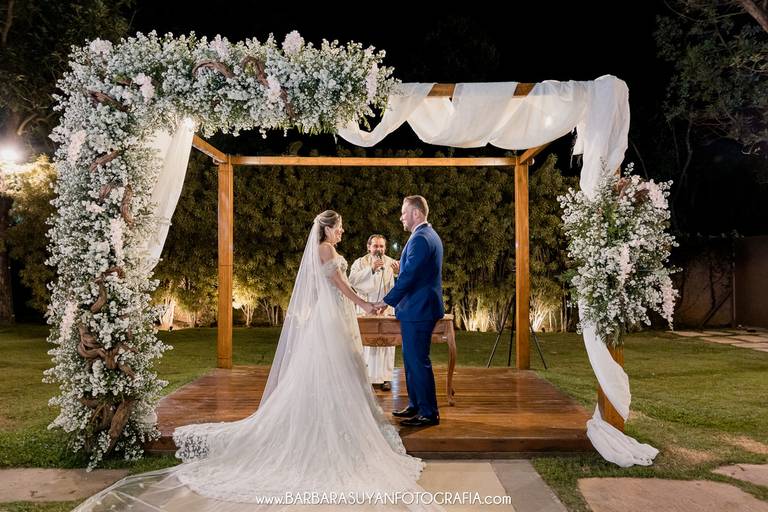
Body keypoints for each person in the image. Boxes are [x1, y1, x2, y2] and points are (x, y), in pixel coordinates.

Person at [73, 210, 442, 512]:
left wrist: (366, 302)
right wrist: (365, 304)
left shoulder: (327, 250)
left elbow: (340, 285)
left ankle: (331, 417)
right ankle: (329, 425)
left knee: (338, 369)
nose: (342, 230)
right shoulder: (326, 251)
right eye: (340, 226)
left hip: (334, 316)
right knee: (336, 367)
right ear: (328, 228)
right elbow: (339, 286)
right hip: (333, 317)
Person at [373, 196, 444, 428]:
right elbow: (414, 272)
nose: (401, 217)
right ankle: (416, 404)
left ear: (416, 213)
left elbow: (410, 276)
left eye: (404, 212)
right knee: (411, 360)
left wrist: (386, 301)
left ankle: (428, 413)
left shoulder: (421, 238)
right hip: (418, 308)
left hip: (419, 309)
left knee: (418, 360)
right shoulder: (426, 235)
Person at [348, 234, 400, 391]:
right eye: (375, 246)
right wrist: (371, 269)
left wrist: (399, 273)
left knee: (387, 343)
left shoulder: (391, 263)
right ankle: (366, 378)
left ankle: (386, 378)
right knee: (366, 343)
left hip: (386, 308)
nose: (379, 249)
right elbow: (352, 281)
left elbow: (399, 285)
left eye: (382, 246)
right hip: (366, 307)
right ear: (368, 247)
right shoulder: (360, 263)